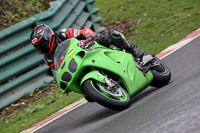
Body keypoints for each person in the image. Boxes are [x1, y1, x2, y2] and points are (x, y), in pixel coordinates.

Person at [30, 24, 145, 70]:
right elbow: (60, 70)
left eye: (42, 43)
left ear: (49, 36)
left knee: (110, 35)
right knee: (88, 97)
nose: (42, 47)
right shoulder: (49, 58)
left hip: (91, 47)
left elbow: (84, 31)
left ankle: (135, 50)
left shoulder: (63, 34)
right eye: (39, 47)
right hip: (79, 64)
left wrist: (88, 37)